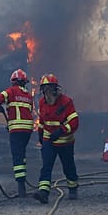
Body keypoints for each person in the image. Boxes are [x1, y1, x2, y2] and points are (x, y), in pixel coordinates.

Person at [33, 73, 79, 204]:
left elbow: (74, 122)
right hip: (49, 141)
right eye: (45, 88)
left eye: (50, 88)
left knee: (68, 166)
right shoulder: (42, 102)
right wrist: (41, 134)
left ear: (55, 88)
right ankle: (44, 193)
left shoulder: (66, 102)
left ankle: (73, 187)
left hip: (65, 142)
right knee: (46, 166)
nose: (48, 91)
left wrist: (61, 131)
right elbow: (42, 120)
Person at [0, 69, 34, 197]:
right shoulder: (28, 95)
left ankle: (21, 187)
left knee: (17, 156)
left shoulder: (11, 91)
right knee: (22, 154)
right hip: (27, 130)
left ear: (14, 82)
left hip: (16, 130)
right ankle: (23, 181)